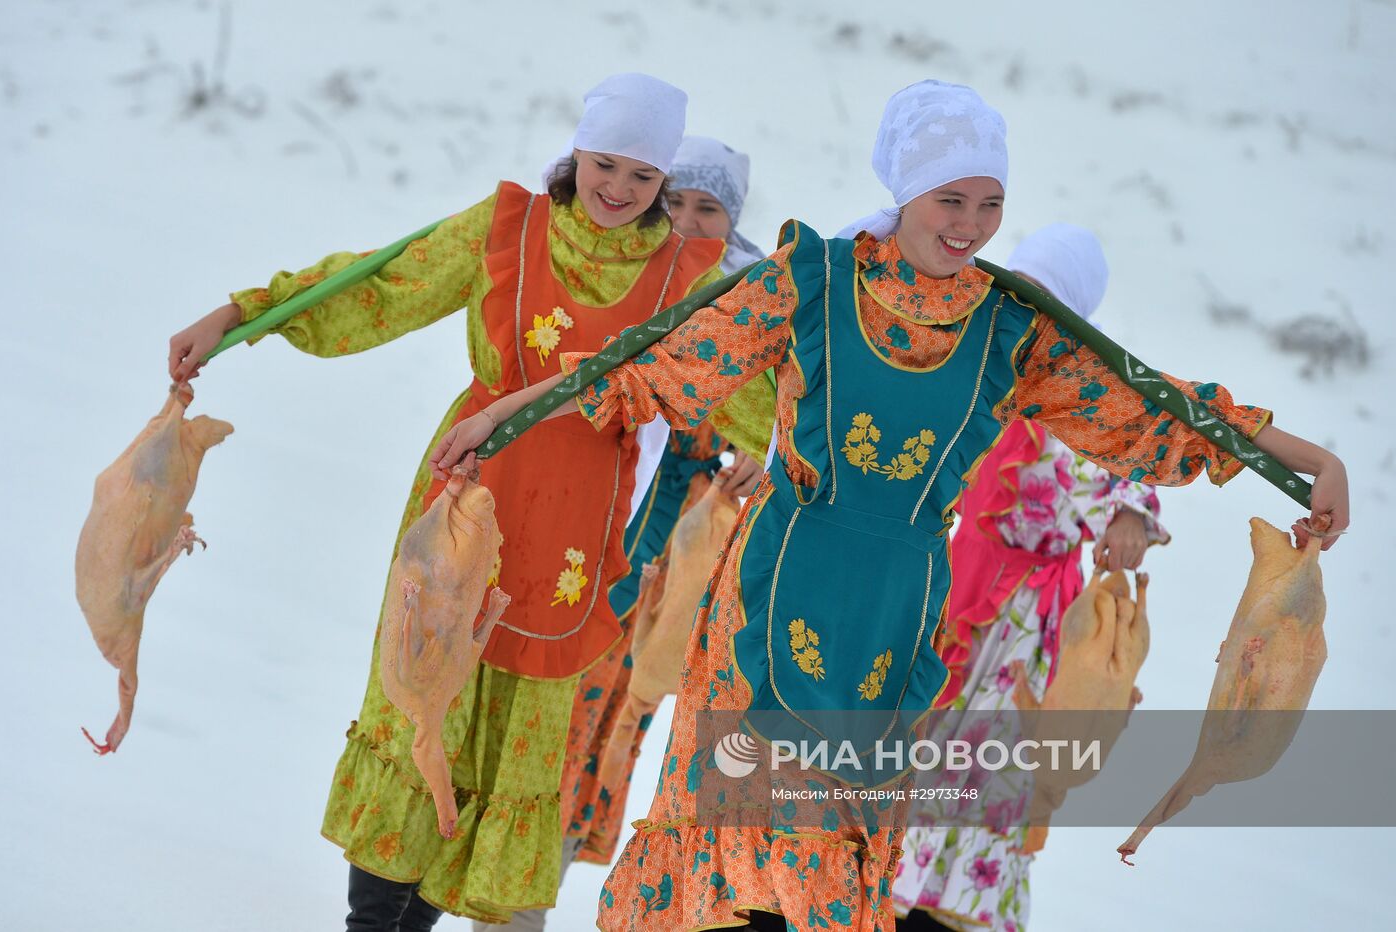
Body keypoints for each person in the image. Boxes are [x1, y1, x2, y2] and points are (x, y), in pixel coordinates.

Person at [426, 79, 1349, 931]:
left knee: (828, 860)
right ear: (906, 190)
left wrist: (1312, 458)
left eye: (991, 205)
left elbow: (1147, 405)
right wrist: (501, 417)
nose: (973, 226)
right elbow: (653, 364)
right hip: (771, 586)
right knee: (731, 843)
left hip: (895, 614)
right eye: (953, 200)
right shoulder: (810, 279)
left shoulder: (1011, 326)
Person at [166, 73, 772, 929]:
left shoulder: (686, 275)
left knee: (510, 727)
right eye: (607, 164)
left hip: (573, 525)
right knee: (424, 695)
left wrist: (772, 450)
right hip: (469, 496)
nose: (620, 190)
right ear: (577, 153)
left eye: (643, 177)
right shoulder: (511, 228)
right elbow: (381, 284)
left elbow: (755, 385)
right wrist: (239, 315)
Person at [514, 136, 775, 932]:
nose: (689, 220)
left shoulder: (751, 298)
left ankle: (542, 877)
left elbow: (775, 414)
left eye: (709, 207)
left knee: (623, 707)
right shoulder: (633, 276)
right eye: (677, 203)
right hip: (594, 516)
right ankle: (510, 871)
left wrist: (754, 459)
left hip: (679, 543)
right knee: (560, 690)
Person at [892, 224, 1167, 932]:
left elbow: (1117, 464)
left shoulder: (1075, 401)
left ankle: (955, 914)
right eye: (1012, 288)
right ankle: (889, 898)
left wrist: (1127, 517)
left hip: (1019, 625)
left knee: (982, 776)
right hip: (946, 593)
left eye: (1040, 299)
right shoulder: (969, 366)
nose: (1017, 307)